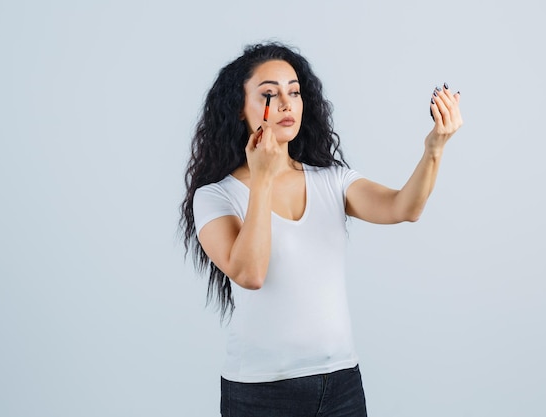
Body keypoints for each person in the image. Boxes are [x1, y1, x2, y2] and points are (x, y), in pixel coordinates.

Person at [180, 42, 462, 417]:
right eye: (270, 94)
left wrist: (435, 148)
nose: (286, 103)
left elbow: (403, 208)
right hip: (261, 391)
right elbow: (249, 273)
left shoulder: (333, 180)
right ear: (238, 109)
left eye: (294, 92)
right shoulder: (215, 197)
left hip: (341, 382)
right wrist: (261, 180)